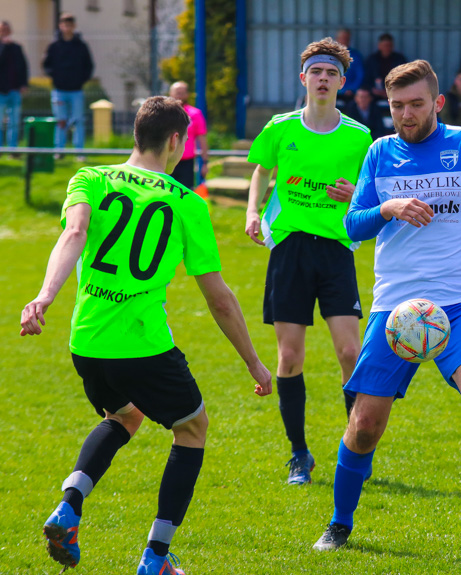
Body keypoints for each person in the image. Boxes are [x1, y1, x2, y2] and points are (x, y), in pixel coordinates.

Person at [21, 96, 272, 575]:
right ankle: (156, 556)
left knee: (124, 415)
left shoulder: (91, 178)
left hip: (88, 341)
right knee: (192, 428)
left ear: (135, 134)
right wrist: (253, 362)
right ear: (177, 141)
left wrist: (45, 297)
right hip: (143, 344)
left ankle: (69, 506)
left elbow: (73, 234)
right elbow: (219, 298)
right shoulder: (187, 203)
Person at [312, 58, 461, 553]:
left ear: (437, 102)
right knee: (364, 426)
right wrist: (388, 207)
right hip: (395, 310)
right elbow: (352, 226)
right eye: (397, 106)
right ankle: (339, 523)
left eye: (416, 104)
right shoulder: (380, 153)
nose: (406, 114)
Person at [244, 38, 373, 485]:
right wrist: (253, 211)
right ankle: (300, 455)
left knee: (350, 353)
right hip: (291, 251)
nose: (322, 79)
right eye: (316, 71)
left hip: (336, 251)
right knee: (290, 357)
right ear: (304, 78)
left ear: (342, 81)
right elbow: (262, 170)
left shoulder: (360, 137)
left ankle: (355, 449)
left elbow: (371, 195)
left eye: (331, 73)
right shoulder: (280, 127)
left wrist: (354, 195)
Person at [42, 13, 93, 159]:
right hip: (59, 90)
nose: (67, 28)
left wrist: (81, 80)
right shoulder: (54, 46)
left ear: (74, 26)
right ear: (60, 26)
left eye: (70, 25)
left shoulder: (81, 46)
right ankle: (59, 151)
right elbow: (46, 65)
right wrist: (56, 77)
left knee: (78, 121)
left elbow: (88, 66)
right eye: (64, 25)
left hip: (76, 90)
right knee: (61, 121)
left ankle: (79, 152)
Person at [168, 81, 208, 190]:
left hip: (186, 162)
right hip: (167, 160)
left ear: (187, 94)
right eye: (177, 92)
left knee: (185, 193)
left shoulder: (195, 114)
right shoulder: (164, 114)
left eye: (182, 92)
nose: (179, 95)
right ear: (170, 93)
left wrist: (205, 162)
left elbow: (202, 138)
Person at [0, 20, 29, 150]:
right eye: (2, 30)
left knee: (14, 122)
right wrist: (4, 47)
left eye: (6, 30)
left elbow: (23, 66)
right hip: (1, 91)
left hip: (14, 90)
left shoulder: (17, 48)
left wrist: (24, 84)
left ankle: (13, 149)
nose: (4, 33)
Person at [364, 33, 407, 100]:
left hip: (395, 92)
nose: (387, 48)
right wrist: (372, 89)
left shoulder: (399, 59)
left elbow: (404, 78)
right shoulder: (372, 60)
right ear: (379, 46)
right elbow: (366, 78)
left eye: (389, 45)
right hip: (374, 93)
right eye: (385, 45)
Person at [336, 28, 363, 105]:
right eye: (343, 38)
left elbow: (360, 75)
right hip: (334, 91)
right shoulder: (331, 55)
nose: (345, 41)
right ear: (337, 39)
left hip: (351, 93)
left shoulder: (356, 55)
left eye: (347, 39)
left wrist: (351, 89)